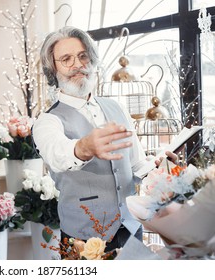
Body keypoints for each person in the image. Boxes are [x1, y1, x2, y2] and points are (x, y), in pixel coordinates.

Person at [32, 26, 176, 253]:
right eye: (66, 59)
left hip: (130, 228)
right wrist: (84, 147)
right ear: (53, 69)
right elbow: (57, 154)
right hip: (83, 240)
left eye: (82, 56)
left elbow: (136, 164)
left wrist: (157, 170)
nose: (77, 64)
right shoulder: (47, 121)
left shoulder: (115, 107)